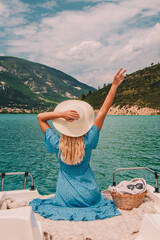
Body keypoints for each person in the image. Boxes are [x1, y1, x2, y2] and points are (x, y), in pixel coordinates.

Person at [29, 68, 127, 221]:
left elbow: (40, 117)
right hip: (90, 196)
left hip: (65, 198)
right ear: (84, 124)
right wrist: (114, 85)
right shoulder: (88, 141)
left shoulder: (57, 144)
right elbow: (103, 111)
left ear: (63, 126)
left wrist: (61, 115)